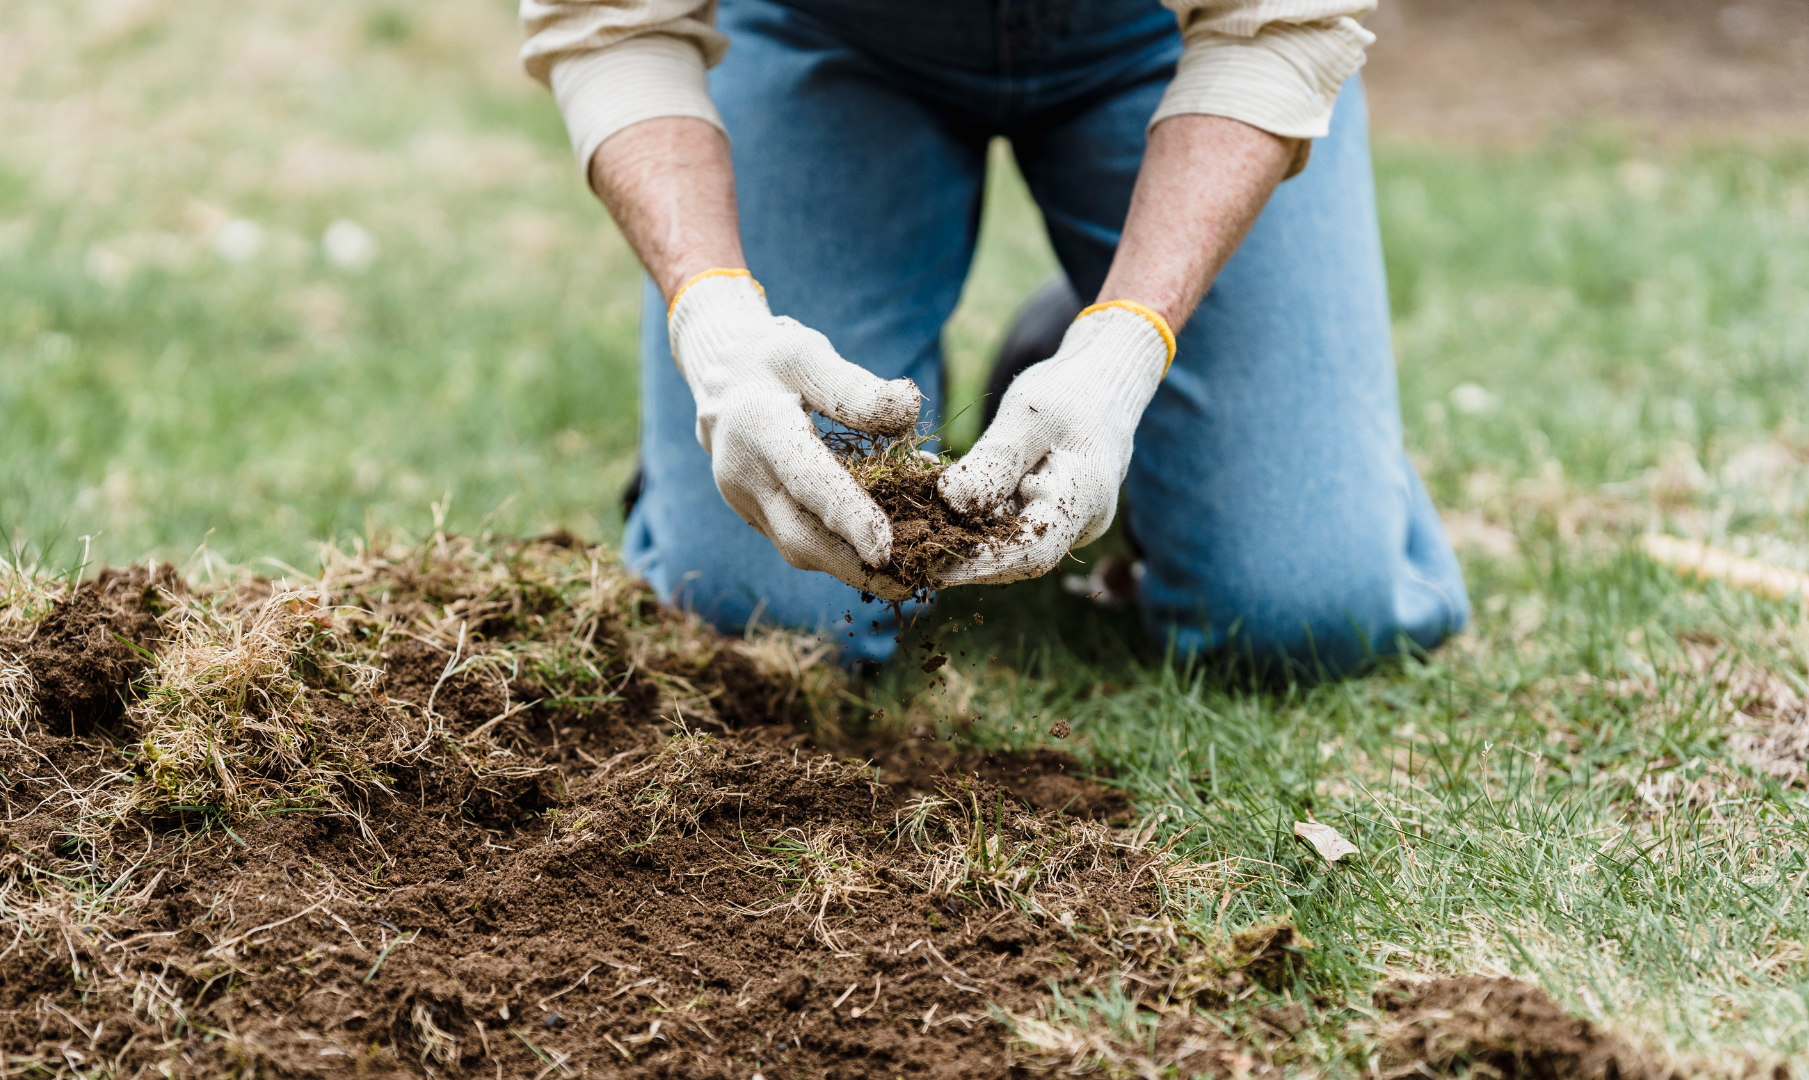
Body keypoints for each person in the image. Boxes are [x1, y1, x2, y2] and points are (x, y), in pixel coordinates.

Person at [520, 0, 1470, 676]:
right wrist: (715, 324)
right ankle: (715, 433)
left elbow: (1278, 23)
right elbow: (611, 22)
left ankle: (1082, 341)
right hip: (828, 31)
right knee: (769, 619)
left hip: (1167, 40)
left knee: (1301, 615)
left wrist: (1125, 345)